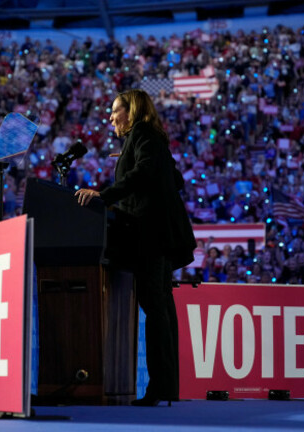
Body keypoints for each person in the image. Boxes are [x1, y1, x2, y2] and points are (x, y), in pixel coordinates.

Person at [75, 89, 196, 406]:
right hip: (157, 237)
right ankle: (167, 387)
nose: (111, 117)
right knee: (161, 310)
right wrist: (131, 161)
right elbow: (174, 179)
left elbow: (145, 173)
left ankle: (159, 389)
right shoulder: (148, 139)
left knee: (156, 310)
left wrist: (105, 195)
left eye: (116, 110)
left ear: (133, 111)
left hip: (150, 237)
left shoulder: (143, 133)